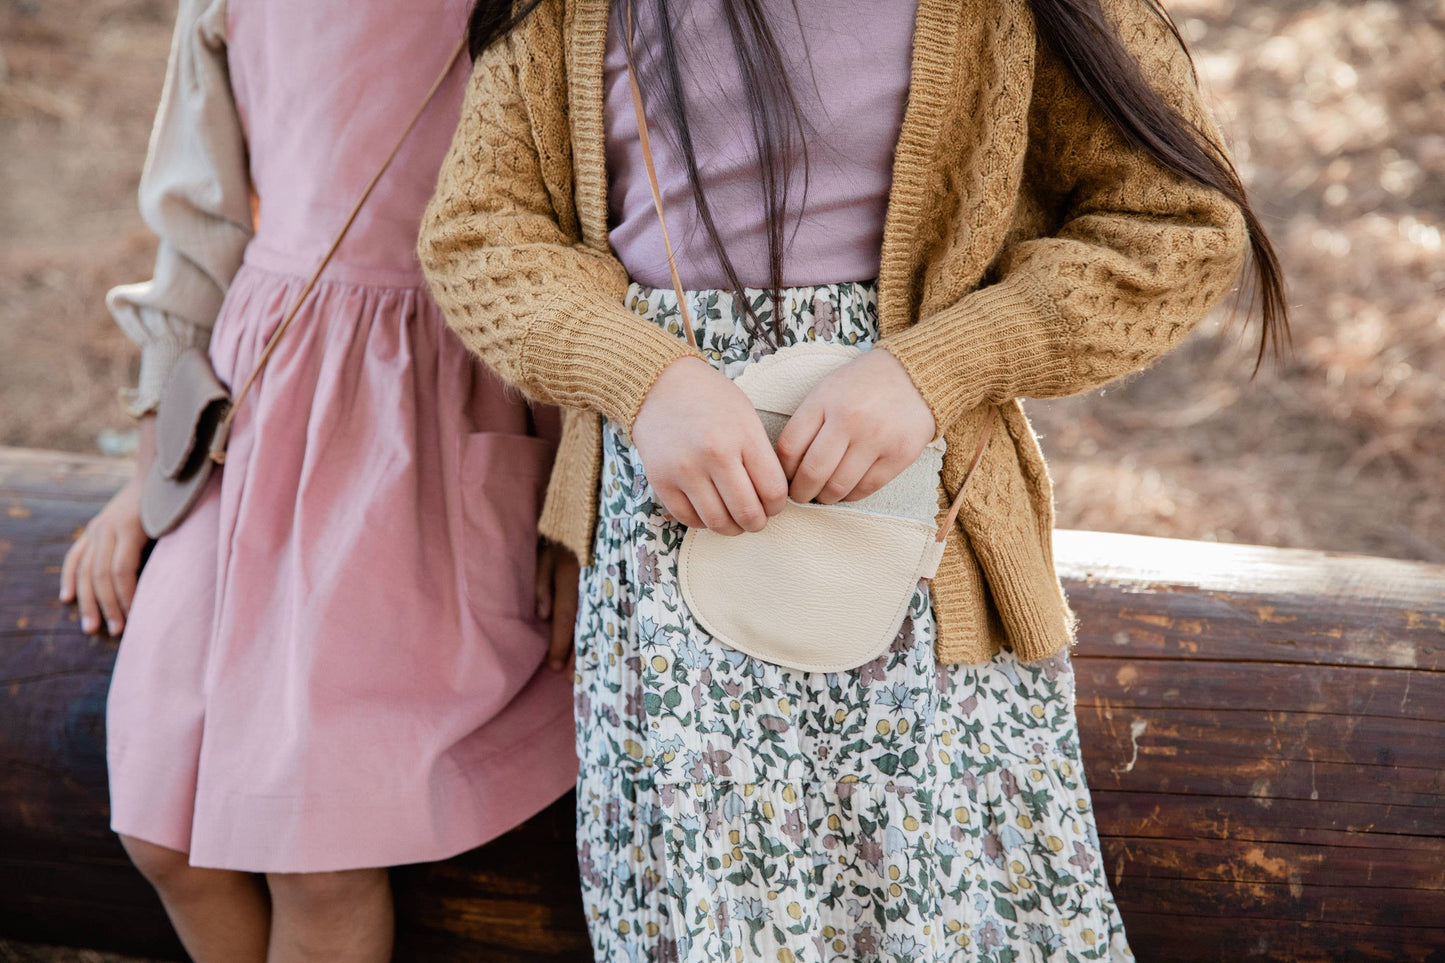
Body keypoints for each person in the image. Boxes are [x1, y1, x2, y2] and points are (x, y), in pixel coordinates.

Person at [420, 0, 1288, 959]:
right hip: (664, 578)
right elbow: (480, 234)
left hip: (922, 564)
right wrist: (642, 377)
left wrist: (937, 369)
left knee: (951, 915)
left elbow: (1178, 224)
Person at [58, 1, 578, 959]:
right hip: (257, 400)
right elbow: (197, 233)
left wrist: (570, 504)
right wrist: (152, 475)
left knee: (319, 856)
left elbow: (589, 236)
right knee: (160, 830)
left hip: (433, 418)